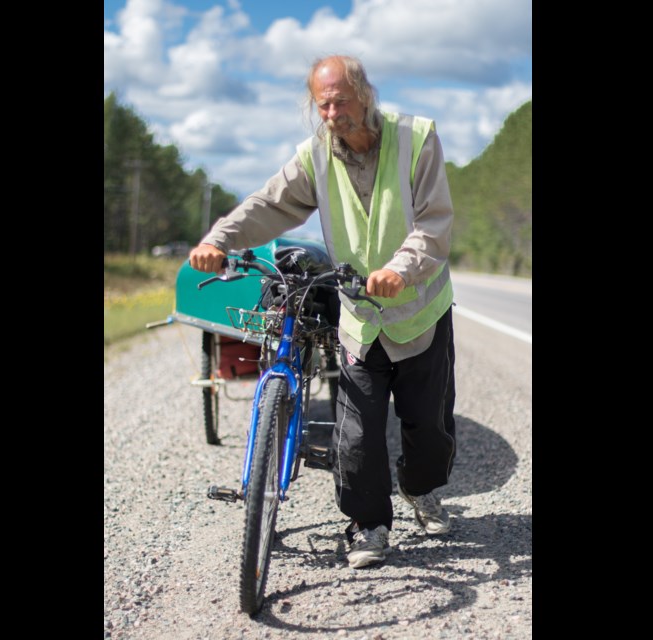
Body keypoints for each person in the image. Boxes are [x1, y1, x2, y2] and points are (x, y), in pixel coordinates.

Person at [189, 55, 456, 569]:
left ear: (366, 95)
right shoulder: (315, 155)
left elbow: (435, 222)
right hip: (359, 315)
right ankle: (368, 526)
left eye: (341, 100)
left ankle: (420, 489)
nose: (332, 113)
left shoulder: (416, 139)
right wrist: (219, 238)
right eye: (323, 103)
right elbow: (269, 203)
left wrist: (402, 267)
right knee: (355, 434)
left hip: (419, 309)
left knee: (428, 430)